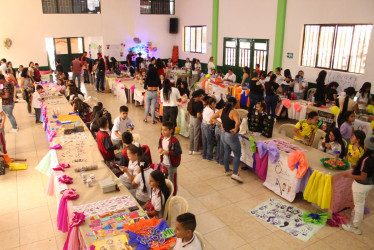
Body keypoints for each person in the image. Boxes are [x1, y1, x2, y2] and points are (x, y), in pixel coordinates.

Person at [342, 136, 374, 235]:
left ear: (367, 147)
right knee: (360, 203)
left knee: (359, 205)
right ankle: (354, 220)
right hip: (369, 184)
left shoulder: (367, 160)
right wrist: (357, 167)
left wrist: (349, 175)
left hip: (361, 185)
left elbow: (362, 177)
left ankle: (355, 227)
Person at [210, 97, 242, 182]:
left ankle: (227, 170)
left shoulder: (221, 111)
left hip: (223, 134)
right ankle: (235, 174)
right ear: (234, 104)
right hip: (231, 135)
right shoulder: (234, 112)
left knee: (227, 151)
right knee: (237, 154)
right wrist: (235, 129)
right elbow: (238, 122)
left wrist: (220, 124)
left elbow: (212, 117)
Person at [158, 121, 182, 185]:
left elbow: (179, 151)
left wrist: (169, 152)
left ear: (171, 131)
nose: (163, 132)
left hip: (172, 165)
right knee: (163, 178)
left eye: (165, 130)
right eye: (162, 129)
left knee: (172, 181)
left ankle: (172, 193)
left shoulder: (174, 141)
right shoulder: (161, 138)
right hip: (163, 162)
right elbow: (159, 145)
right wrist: (160, 148)